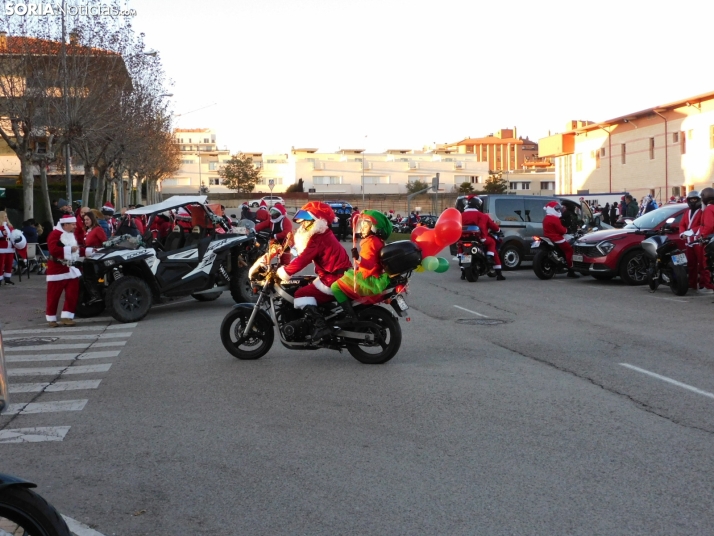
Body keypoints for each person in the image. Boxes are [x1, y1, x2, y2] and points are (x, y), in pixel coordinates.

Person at [271, 201, 351, 341]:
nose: (302, 226)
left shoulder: (318, 239)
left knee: (301, 294)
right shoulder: (324, 234)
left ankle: (321, 326)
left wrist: (284, 272)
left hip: (332, 279)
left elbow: (304, 259)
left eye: (305, 223)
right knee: (306, 283)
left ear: (314, 221)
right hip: (336, 275)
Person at [331, 210, 392, 318]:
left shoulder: (371, 242)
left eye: (366, 225)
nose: (362, 228)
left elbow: (368, 264)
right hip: (372, 273)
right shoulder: (377, 240)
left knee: (335, 287)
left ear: (374, 228)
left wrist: (358, 258)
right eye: (361, 225)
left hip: (367, 277)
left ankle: (350, 315)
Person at [46, 214, 86, 326]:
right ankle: (51, 318)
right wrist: (69, 249)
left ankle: (67, 316)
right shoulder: (54, 234)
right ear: (66, 224)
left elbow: (76, 250)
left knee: (72, 294)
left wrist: (89, 251)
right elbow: (53, 250)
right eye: (73, 224)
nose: (75, 226)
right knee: (53, 296)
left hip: (70, 270)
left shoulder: (70, 235)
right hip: (57, 270)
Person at [461, 196, 505, 280]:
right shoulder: (483, 216)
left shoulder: (461, 215)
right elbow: (493, 226)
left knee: (461, 252)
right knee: (492, 242)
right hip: (480, 239)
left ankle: (463, 273)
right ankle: (490, 259)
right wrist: (499, 230)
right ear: (478, 205)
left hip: (463, 239)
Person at [679, 191, 710, 293]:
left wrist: (690, 232)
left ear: (699, 200)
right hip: (689, 242)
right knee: (691, 264)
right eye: (691, 199)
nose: (692, 201)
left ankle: (704, 285)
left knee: (702, 264)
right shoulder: (687, 212)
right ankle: (692, 284)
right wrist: (682, 233)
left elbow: (702, 225)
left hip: (698, 241)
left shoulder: (702, 211)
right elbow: (682, 224)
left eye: (695, 199)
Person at [543, 201, 579, 278]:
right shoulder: (555, 219)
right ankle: (571, 270)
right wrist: (567, 230)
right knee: (569, 250)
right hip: (557, 238)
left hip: (548, 237)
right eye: (556, 208)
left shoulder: (546, 218)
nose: (558, 210)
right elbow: (561, 230)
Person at [698, 188, 714, 293]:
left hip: (710, 240)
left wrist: (702, 236)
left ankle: (709, 286)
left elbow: (709, 225)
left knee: (708, 262)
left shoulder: (709, 209)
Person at [0, 211, 19, 285]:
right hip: (2, 247)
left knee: (9, 263)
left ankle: (7, 278)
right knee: (1, 264)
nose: (6, 218)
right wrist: (1, 233)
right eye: (4, 216)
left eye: (6, 216)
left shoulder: (9, 226)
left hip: (10, 247)